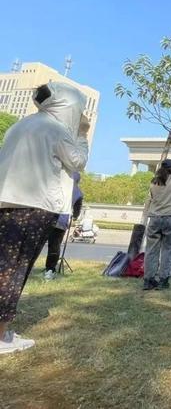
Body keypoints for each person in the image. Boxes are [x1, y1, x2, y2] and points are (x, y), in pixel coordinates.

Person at [0, 82, 89, 354]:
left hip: (6, 201)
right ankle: (2, 335)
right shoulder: (57, 130)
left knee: (4, 263)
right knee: (14, 269)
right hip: (34, 205)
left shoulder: (21, 125)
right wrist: (83, 134)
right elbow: (78, 161)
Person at [142, 159, 171, 290]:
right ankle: (163, 280)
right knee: (168, 250)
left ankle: (148, 280)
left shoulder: (154, 181)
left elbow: (150, 200)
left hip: (154, 218)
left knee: (151, 250)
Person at [44, 172, 83, 281]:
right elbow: (76, 212)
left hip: (46, 216)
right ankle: (49, 270)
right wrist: (74, 217)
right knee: (54, 246)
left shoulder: (57, 184)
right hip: (61, 221)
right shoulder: (78, 192)